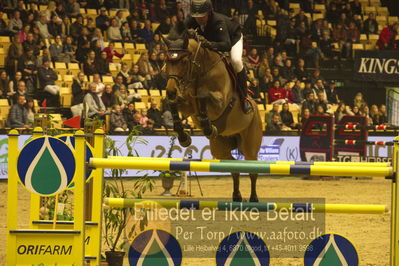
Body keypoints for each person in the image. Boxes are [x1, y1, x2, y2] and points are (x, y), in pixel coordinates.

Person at [184, 0, 251, 113]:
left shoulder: (218, 22)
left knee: (236, 61)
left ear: (209, 13)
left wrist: (209, 44)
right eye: (196, 17)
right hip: (213, 39)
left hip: (232, 39)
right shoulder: (194, 20)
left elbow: (226, 45)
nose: (198, 19)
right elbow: (182, 32)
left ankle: (244, 97)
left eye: (202, 16)